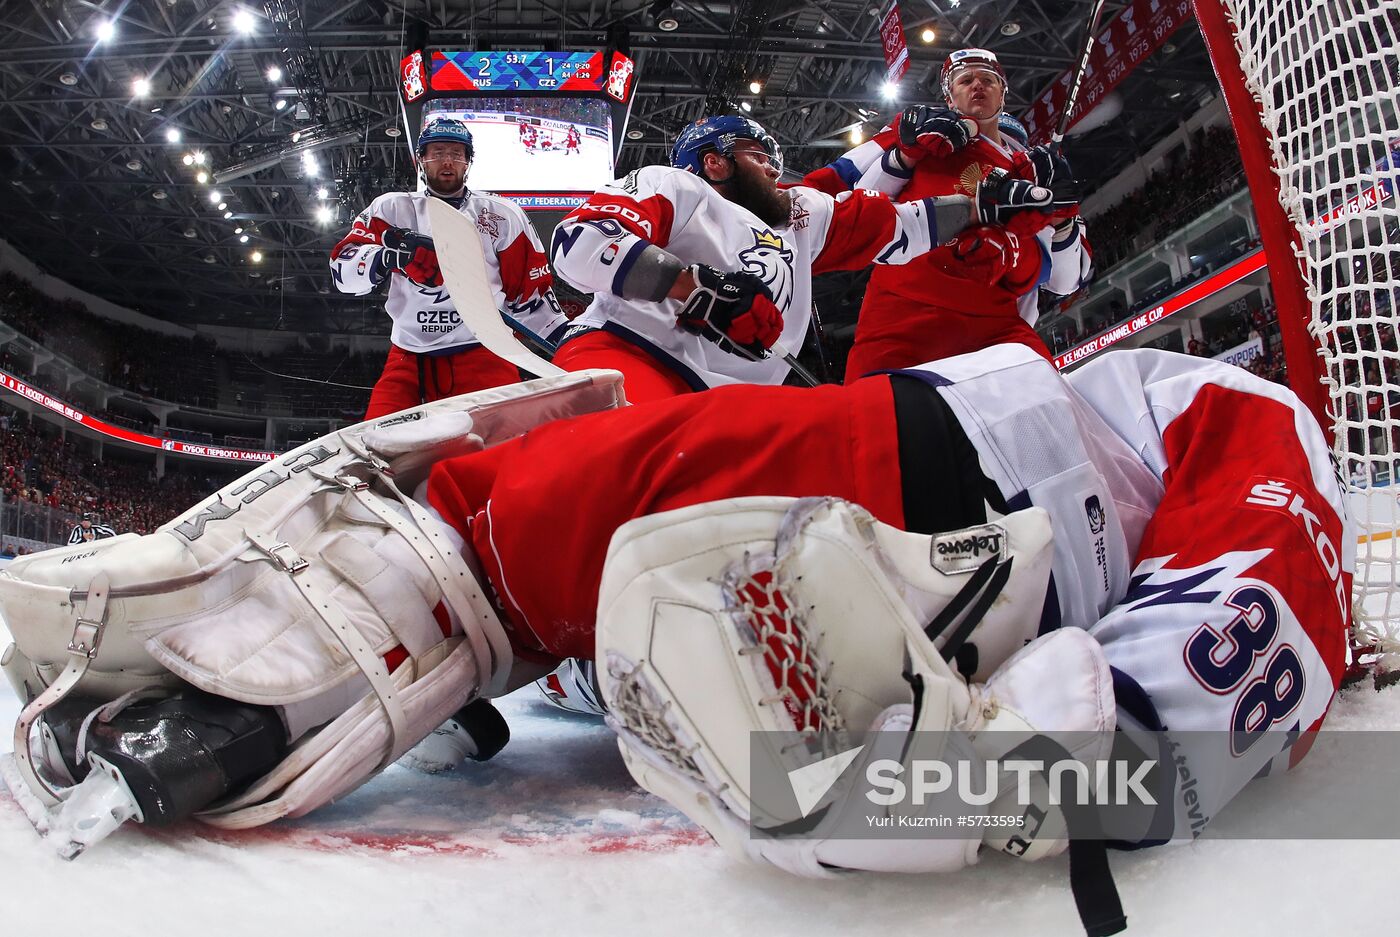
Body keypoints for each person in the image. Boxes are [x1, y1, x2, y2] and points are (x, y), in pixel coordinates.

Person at [3, 343, 1349, 922]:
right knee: (615, 536)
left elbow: (1266, 558)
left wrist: (1068, 762)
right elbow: (1261, 606)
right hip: (975, 547)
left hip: (985, 485)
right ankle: (441, 592)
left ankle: (412, 586)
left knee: (559, 495)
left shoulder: (1185, 406)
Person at [547, 113, 1061, 404]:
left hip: (738, 399)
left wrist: (979, 206)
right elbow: (579, 241)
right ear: (715, 161)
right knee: (623, 453)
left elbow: (900, 228)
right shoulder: (674, 185)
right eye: (759, 155)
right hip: (632, 356)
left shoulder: (802, 213)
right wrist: (693, 288)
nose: (776, 167)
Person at [804, 49, 1092, 380]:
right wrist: (904, 156)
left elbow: (1063, 281)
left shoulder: (1036, 173)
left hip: (992, 330)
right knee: (877, 418)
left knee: (1044, 416)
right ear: (949, 95)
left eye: (987, 80)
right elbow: (861, 207)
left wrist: (1061, 219)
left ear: (1003, 92)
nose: (977, 86)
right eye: (966, 80)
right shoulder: (928, 136)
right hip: (903, 317)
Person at [330, 116, 568, 419]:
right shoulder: (391, 209)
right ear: (421, 160)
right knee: (379, 450)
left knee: (494, 456)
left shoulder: (501, 216)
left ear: (468, 162)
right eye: (437, 152)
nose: (447, 161)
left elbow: (531, 295)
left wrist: (568, 343)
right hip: (408, 357)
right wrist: (387, 258)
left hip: (484, 352)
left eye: (456, 154)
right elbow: (343, 270)